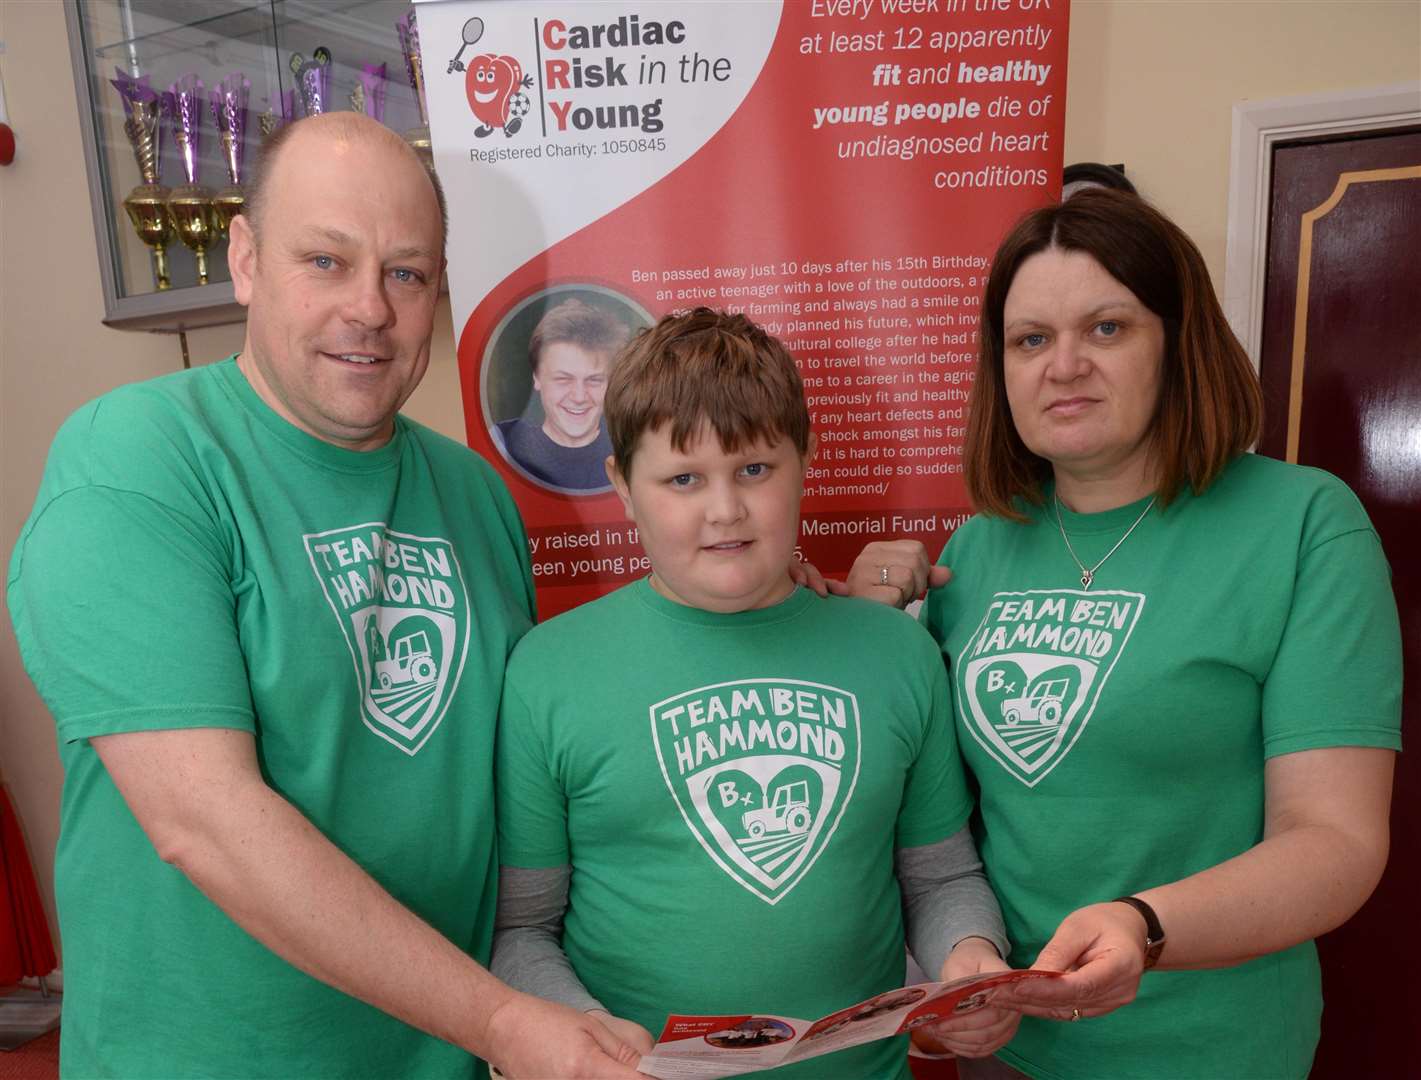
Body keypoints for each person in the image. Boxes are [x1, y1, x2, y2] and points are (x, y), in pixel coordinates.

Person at [7, 113, 644, 1080]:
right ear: (247, 260)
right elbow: (203, 820)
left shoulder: (471, 491)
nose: (371, 309)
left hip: (446, 1058)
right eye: (325, 260)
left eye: (406, 272)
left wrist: (762, 604)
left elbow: (540, 748)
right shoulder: (137, 461)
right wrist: (504, 1023)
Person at [845, 188, 1402, 1078]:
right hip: (1011, 1043)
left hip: (1210, 1048)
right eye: (1030, 340)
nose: (1062, 365)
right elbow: (936, 827)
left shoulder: (1300, 524)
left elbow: (1334, 843)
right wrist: (849, 633)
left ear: (1176, 343)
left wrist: (1144, 926)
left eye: (1105, 328)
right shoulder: (977, 547)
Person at [490, 308, 1018, 1078]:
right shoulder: (546, 672)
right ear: (622, 487)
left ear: (804, 461)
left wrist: (972, 957)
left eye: (754, 469)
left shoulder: (898, 652)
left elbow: (940, 876)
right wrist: (587, 1036)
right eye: (681, 479)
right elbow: (521, 928)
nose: (724, 509)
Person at [493, 298, 630, 492]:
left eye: (594, 380)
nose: (579, 397)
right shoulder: (503, 444)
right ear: (537, 378)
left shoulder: (632, 449)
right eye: (563, 379)